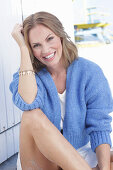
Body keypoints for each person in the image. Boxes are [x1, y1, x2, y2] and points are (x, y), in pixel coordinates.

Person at [9, 11, 113, 170]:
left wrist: (104, 168)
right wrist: (23, 48)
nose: (45, 50)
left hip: (79, 153)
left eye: (49, 39)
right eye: (36, 45)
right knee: (31, 114)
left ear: (61, 36)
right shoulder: (28, 75)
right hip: (41, 156)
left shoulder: (89, 71)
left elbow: (100, 125)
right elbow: (28, 101)